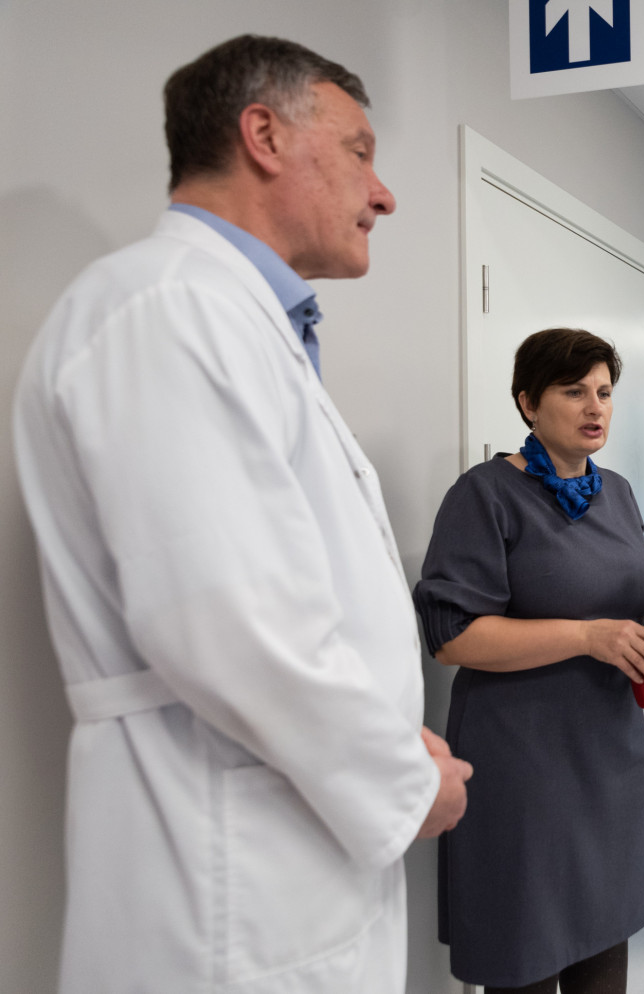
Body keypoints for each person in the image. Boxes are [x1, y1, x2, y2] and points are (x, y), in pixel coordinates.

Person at [11, 35, 473, 994]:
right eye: (359, 152)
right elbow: (227, 619)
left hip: (280, 850)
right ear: (263, 135)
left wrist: (393, 741)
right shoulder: (166, 308)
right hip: (223, 881)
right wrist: (400, 779)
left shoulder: (231, 319)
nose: (384, 194)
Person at [413, 328, 644, 994]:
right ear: (528, 402)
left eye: (604, 392)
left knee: (604, 950)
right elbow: (453, 637)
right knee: (524, 952)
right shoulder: (486, 494)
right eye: (574, 391)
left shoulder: (617, 492)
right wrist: (586, 637)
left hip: (609, 756)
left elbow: (620, 601)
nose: (595, 407)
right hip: (523, 764)